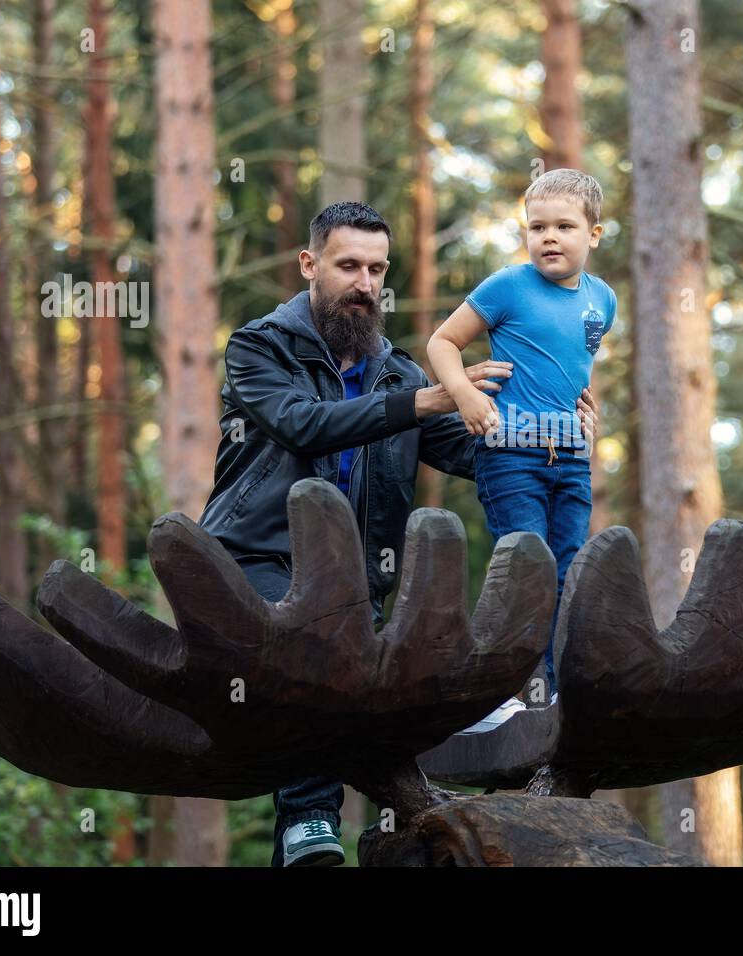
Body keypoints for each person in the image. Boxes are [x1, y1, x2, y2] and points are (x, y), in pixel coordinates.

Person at [199, 201, 599, 866]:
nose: (363, 283)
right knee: (319, 641)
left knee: (394, 671)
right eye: (348, 265)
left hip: (359, 585)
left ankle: (435, 803)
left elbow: (479, 449)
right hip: (254, 563)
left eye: (376, 269)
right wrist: (432, 398)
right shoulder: (259, 348)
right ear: (310, 265)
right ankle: (308, 816)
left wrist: (556, 432)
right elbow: (304, 423)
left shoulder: (397, 368)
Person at [427, 168, 615, 727]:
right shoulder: (507, 286)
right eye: (537, 227)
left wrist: (589, 414)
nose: (549, 237)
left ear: (595, 235)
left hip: (571, 460)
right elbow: (442, 341)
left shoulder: (602, 301)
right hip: (509, 453)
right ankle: (497, 692)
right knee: (524, 565)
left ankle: (549, 695)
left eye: (564, 226)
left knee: (567, 572)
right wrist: (463, 394)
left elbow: (573, 371)